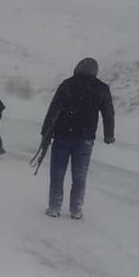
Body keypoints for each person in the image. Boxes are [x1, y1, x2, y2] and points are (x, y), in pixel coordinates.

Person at [41, 57, 115, 219]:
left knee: (57, 174)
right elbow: (108, 113)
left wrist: (45, 134)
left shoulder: (67, 84)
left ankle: (54, 207)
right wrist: (109, 134)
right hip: (85, 138)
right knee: (80, 177)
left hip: (62, 136)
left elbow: (53, 110)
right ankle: (76, 210)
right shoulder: (101, 88)